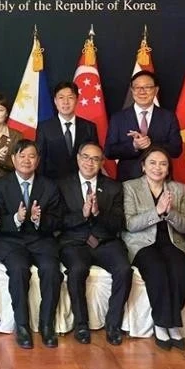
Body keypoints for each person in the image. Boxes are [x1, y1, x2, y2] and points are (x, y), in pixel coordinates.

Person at [58, 142, 131, 346]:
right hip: (74, 241)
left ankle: (113, 325)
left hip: (105, 241)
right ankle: (81, 324)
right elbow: (58, 221)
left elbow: (118, 223)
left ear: (102, 162)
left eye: (95, 159)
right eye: (86, 157)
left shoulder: (114, 187)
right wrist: (82, 215)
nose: (90, 162)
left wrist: (98, 213)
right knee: (77, 269)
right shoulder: (63, 185)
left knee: (124, 269)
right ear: (78, 158)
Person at [0, 139, 62, 349]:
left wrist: (39, 220)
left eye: (31, 156)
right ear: (13, 159)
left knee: (51, 270)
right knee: (19, 269)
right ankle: (22, 326)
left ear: (38, 160)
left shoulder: (49, 186)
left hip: (41, 240)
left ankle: (47, 325)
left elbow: (59, 220)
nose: (26, 160)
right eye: (21, 156)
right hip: (11, 241)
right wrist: (17, 219)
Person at [122, 146, 185, 351]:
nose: (157, 167)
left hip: (172, 242)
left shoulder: (178, 189)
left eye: (163, 164)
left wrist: (169, 213)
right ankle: (162, 324)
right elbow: (130, 224)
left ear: (168, 169)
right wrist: (157, 211)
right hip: (142, 243)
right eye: (152, 163)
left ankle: (170, 322)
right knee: (157, 271)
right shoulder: (130, 187)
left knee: (181, 273)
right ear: (143, 166)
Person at [105, 71, 182, 181]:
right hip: (128, 181)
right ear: (132, 90)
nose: (142, 91)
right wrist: (134, 146)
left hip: (160, 181)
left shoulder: (168, 117)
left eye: (147, 87)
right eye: (137, 87)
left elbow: (176, 150)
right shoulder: (118, 118)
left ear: (156, 90)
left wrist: (150, 145)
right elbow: (109, 151)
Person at [36, 81, 98, 180]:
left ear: (77, 99)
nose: (66, 102)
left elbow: (95, 157)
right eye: (61, 98)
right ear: (55, 101)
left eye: (70, 97)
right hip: (53, 183)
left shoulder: (89, 127)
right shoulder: (44, 127)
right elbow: (40, 159)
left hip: (80, 184)